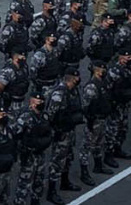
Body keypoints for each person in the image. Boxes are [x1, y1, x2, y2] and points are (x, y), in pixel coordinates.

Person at [46, 67, 84, 197]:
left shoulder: (73, 91)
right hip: (61, 132)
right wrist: (55, 130)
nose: (79, 79)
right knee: (57, 160)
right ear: (72, 79)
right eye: (76, 78)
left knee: (68, 157)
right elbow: (50, 115)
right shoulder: (59, 93)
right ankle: (52, 190)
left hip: (69, 130)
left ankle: (65, 181)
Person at [13, 90, 53, 205]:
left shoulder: (44, 115)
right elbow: (16, 134)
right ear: (32, 102)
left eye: (42, 100)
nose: (41, 102)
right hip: (29, 155)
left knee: (39, 181)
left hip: (40, 153)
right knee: (24, 184)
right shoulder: (25, 116)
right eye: (38, 101)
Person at [79, 60, 114, 186]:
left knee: (99, 142)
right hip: (94, 120)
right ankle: (84, 172)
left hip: (103, 118)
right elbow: (85, 106)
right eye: (100, 69)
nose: (103, 71)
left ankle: (98, 164)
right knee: (87, 146)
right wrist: (90, 120)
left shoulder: (103, 82)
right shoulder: (91, 86)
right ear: (95, 70)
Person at [0, 46, 31, 114]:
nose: (24, 58)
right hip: (11, 104)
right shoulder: (8, 70)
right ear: (15, 58)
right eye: (22, 57)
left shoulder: (24, 67)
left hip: (21, 101)